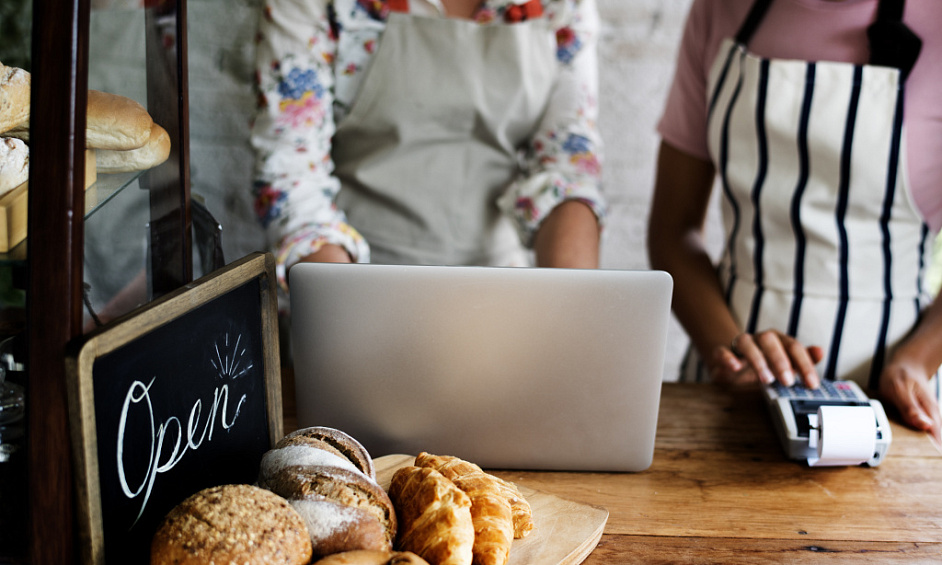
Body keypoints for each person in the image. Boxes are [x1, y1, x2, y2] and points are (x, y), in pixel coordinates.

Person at [647, 0, 942, 444]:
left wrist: (919, 359)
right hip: (724, 393)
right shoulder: (720, 9)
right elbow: (673, 230)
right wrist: (730, 352)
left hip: (892, 404)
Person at [250, 0, 606, 293]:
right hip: (354, 284)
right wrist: (349, 320)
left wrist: (570, 316)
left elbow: (566, 167)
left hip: (503, 292)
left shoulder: (563, 5)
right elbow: (291, 175)